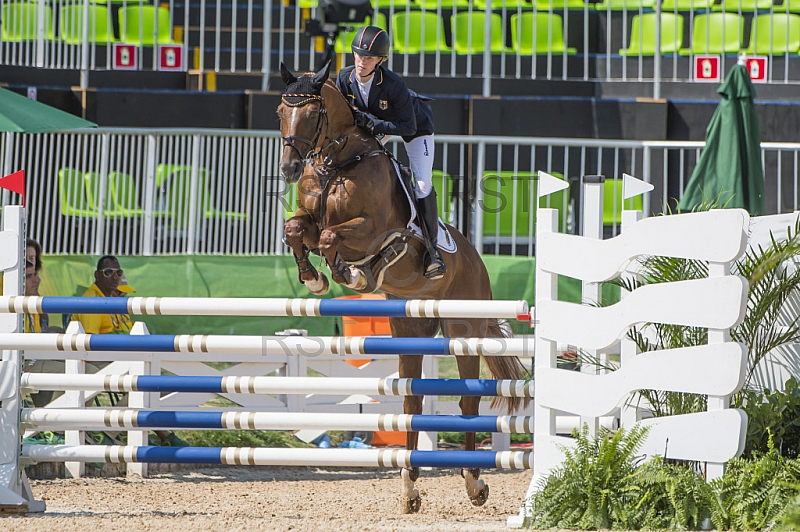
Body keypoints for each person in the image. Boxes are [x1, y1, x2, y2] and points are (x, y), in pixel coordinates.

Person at [336, 25, 447, 280]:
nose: (362, 62)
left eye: (370, 58)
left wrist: (374, 125)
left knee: (421, 184)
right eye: (359, 55)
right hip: (378, 124)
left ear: (380, 60)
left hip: (415, 127)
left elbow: (407, 126)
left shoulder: (393, 84)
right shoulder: (344, 78)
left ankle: (433, 252)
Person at [70, 255, 134, 334]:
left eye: (118, 273)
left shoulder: (110, 299)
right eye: (108, 272)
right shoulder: (92, 303)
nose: (115, 277)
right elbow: (90, 341)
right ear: (97, 275)